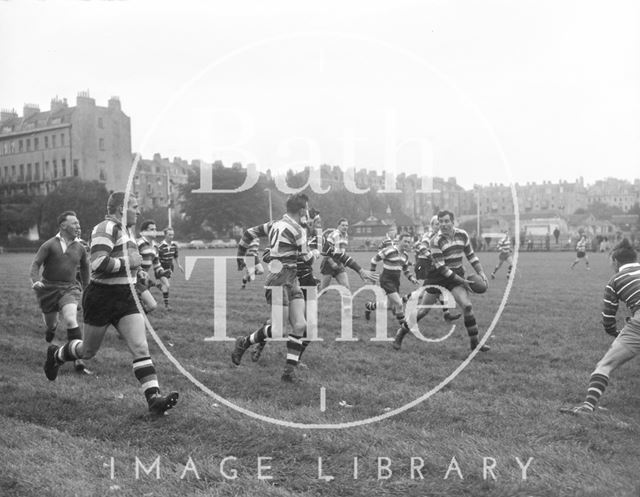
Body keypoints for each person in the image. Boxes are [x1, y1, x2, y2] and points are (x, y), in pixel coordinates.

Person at [43, 192, 179, 416]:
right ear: (121, 209)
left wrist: (139, 274)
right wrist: (130, 262)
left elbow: (128, 264)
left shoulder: (127, 231)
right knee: (87, 351)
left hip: (125, 296)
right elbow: (97, 263)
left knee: (140, 347)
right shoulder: (104, 228)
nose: (139, 210)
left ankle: (153, 399)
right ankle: (56, 355)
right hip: (102, 297)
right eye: (135, 206)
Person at [236, 207, 375, 365]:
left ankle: (295, 361)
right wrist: (288, 258)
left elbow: (339, 255)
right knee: (276, 324)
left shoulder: (319, 241)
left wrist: (360, 270)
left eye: (319, 222)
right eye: (316, 221)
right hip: (287, 281)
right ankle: (259, 344)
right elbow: (267, 254)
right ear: (306, 221)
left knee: (309, 328)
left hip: (307, 284)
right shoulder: (287, 233)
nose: (318, 225)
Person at [561, 239, 640, 415]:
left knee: (604, 365)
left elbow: (608, 320)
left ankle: (587, 407)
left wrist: (616, 333)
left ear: (616, 262)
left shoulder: (615, 280)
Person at [393, 210, 490, 352]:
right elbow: (442, 269)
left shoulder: (462, 235)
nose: (443, 224)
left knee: (467, 306)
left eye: (446, 221)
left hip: (456, 275)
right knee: (423, 311)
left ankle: (475, 343)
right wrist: (463, 281)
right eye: (441, 222)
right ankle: (400, 333)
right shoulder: (435, 241)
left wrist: (481, 273)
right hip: (437, 277)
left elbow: (471, 256)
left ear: (453, 221)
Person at [30, 211, 92, 375]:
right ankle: (51, 329)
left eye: (78, 223)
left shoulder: (80, 247)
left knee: (71, 320)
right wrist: (35, 280)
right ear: (63, 226)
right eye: (74, 223)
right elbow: (36, 264)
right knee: (52, 323)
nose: (78, 226)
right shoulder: (49, 244)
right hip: (48, 289)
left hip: (69, 288)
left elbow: (86, 270)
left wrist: (87, 290)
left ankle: (78, 360)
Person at [364, 233, 419, 338]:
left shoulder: (405, 256)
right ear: (399, 241)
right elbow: (374, 260)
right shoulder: (389, 250)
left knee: (389, 306)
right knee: (399, 304)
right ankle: (404, 328)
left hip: (396, 281)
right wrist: (372, 274)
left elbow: (405, 269)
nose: (407, 244)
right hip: (386, 280)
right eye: (405, 241)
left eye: (408, 242)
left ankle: (369, 306)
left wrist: (411, 278)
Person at [319, 218, 351, 291]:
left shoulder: (345, 235)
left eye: (346, 225)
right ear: (338, 226)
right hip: (328, 263)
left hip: (339, 263)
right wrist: (332, 263)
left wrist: (344, 261)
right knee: (323, 290)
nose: (345, 227)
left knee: (346, 287)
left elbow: (342, 250)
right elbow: (324, 251)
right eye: (343, 225)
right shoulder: (334, 234)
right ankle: (315, 286)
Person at [157, 227, 184, 310]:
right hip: (161, 268)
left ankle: (166, 306)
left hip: (170, 268)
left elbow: (175, 256)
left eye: (172, 235)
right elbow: (156, 259)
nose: (171, 236)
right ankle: (156, 285)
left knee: (166, 286)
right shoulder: (160, 247)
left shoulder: (174, 245)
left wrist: (179, 265)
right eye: (169, 235)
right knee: (167, 285)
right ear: (165, 235)